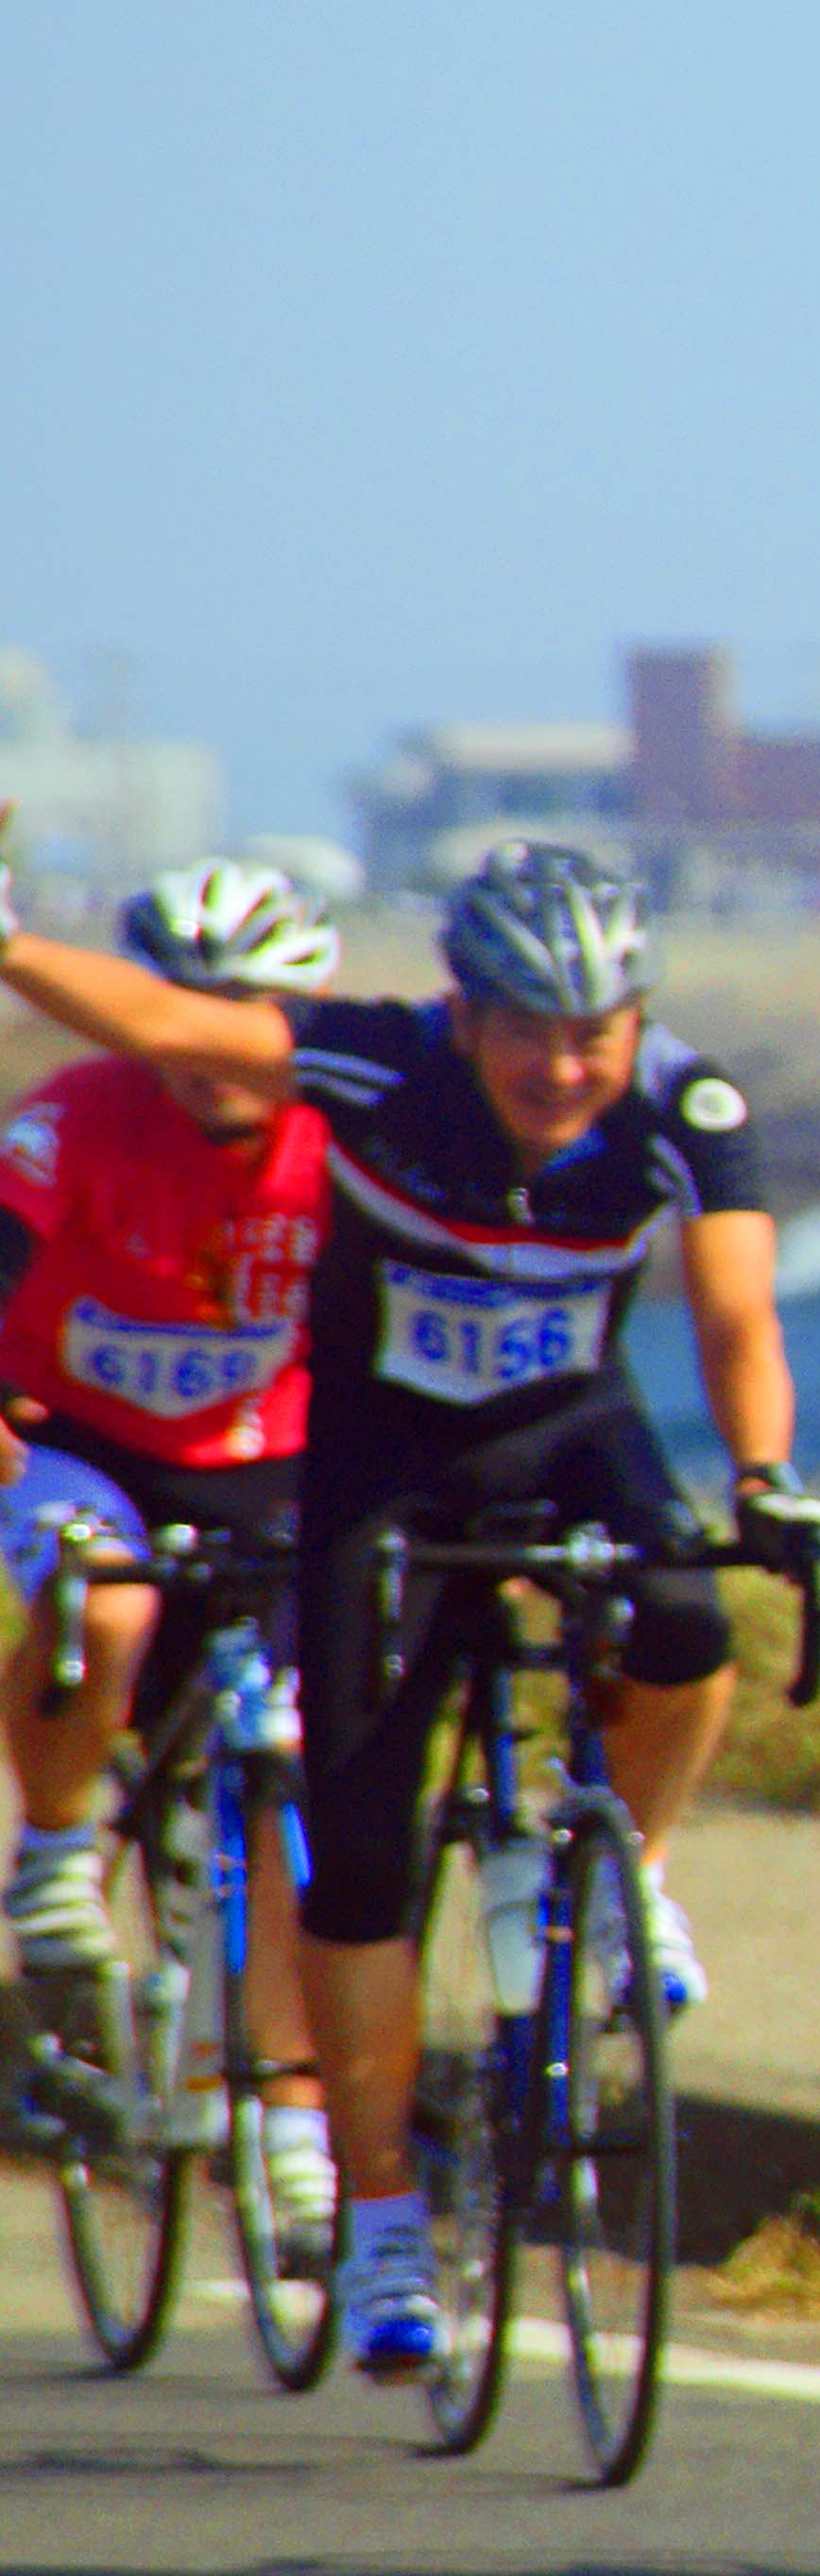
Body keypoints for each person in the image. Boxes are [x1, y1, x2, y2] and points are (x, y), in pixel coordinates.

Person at [0, 839, 820, 2372]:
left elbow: (735, 1310)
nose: (564, 1067)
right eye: (528, 1029)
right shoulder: (377, 1068)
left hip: (574, 1432)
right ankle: (383, 2226)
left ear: (640, 1023)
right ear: (464, 1015)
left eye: (597, 1033)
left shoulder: (681, 1111)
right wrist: (10, 946)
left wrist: (770, 1473)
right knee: (362, 1851)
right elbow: (177, 1029)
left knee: (691, 1629)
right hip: (381, 1457)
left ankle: (622, 1871)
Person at [0, 858, 333, 2243]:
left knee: (292, 1779)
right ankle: (57, 1844)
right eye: (178, 1002)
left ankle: (292, 2114)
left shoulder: (343, 1134)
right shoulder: (69, 1120)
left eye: (243, 1005)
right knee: (114, 1617)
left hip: (268, 1460)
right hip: (78, 1442)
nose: (207, 1039)